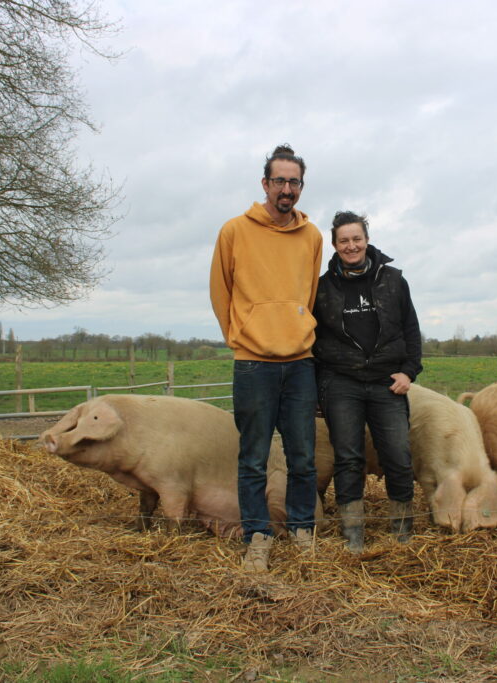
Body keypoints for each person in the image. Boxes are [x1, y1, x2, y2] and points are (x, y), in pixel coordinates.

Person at [209, 144, 323, 572]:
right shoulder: (234, 231)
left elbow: (308, 294)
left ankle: (301, 528)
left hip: (299, 362)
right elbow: (221, 291)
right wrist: (240, 335)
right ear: (265, 184)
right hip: (253, 363)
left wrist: (297, 327)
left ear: (300, 187)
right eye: (280, 181)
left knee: (303, 456)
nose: (287, 189)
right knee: (253, 456)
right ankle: (258, 533)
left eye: (294, 182)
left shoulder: (312, 236)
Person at [312, 211, 422, 553]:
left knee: (399, 456)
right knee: (348, 458)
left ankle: (402, 530)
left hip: (386, 382)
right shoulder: (321, 287)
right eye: (343, 240)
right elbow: (311, 338)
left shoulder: (393, 280)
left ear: (367, 240)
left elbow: (411, 329)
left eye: (356, 238)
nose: (351, 245)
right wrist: (321, 385)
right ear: (334, 245)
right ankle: (353, 533)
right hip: (341, 382)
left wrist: (409, 371)